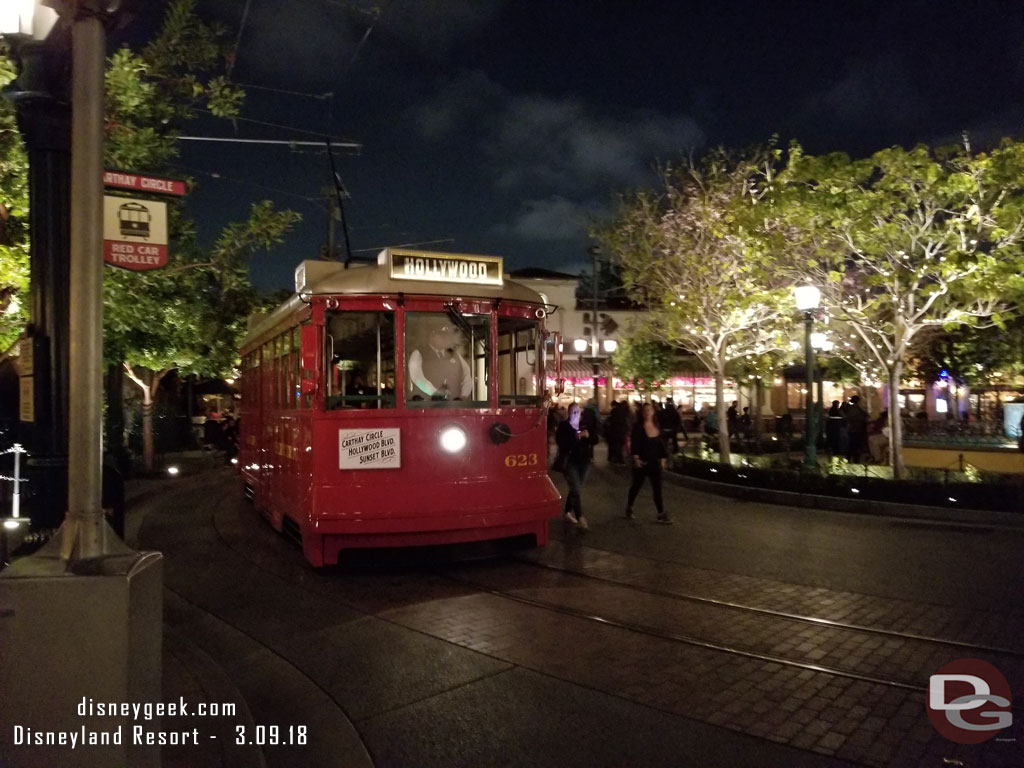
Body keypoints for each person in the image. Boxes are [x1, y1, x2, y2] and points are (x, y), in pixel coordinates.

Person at [555, 402, 598, 529]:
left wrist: (588, 436)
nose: (575, 414)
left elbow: (595, 439)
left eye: (577, 411)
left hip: (584, 461)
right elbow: (561, 444)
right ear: (569, 413)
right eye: (573, 412)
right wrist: (575, 437)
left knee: (576, 488)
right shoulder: (564, 426)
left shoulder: (585, 424)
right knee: (576, 488)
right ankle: (580, 517)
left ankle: (567, 512)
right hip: (570, 462)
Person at [625, 402, 671, 524]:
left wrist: (663, 458)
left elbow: (661, 444)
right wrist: (635, 458)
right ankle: (629, 506)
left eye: (649, 410)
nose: (647, 413)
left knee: (657, 488)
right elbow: (635, 443)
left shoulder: (656, 426)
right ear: (642, 412)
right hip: (642, 461)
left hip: (654, 462)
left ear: (653, 412)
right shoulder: (638, 427)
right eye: (645, 410)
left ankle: (660, 513)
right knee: (636, 485)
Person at [408, 320, 472, 400]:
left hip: (452, 406)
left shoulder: (455, 355)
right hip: (425, 406)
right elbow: (417, 377)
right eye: (441, 336)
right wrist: (434, 393)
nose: (445, 339)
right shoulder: (418, 353)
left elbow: (467, 377)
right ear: (432, 336)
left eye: (446, 336)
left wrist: (463, 396)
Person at [844, 395, 869, 463]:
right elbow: (853, 418)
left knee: (853, 444)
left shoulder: (854, 408)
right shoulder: (854, 408)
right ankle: (853, 459)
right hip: (855, 428)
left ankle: (851, 458)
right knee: (854, 444)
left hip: (854, 428)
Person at [606, 399, 630, 464]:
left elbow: (612, 421)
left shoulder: (614, 411)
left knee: (616, 446)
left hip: (615, 431)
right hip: (622, 431)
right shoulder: (624, 411)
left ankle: (617, 459)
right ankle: (618, 459)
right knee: (620, 446)